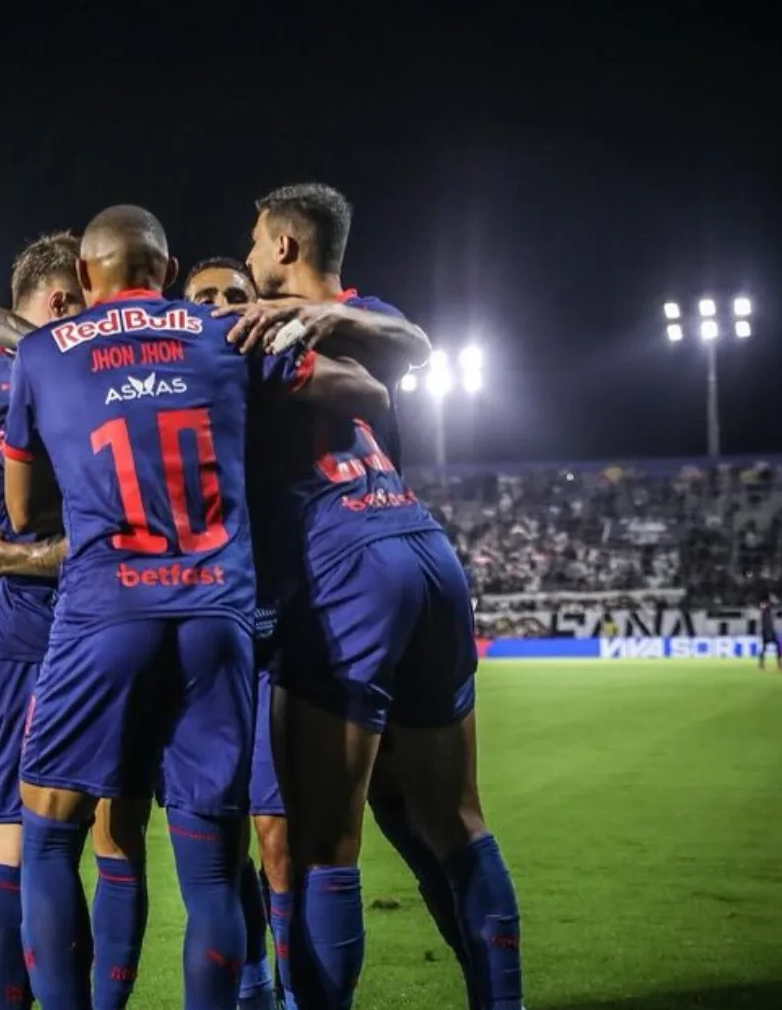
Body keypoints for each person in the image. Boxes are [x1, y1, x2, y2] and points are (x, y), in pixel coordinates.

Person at [2, 204, 389, 1010]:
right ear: (170, 271)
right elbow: (367, 393)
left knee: (48, 839)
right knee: (212, 870)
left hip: (104, 611)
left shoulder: (41, 352)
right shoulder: (228, 332)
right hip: (217, 615)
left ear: (85, 275)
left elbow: (23, 510)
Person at [233, 182, 525, 1010]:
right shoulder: (365, 322)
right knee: (453, 820)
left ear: (285, 245)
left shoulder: (302, 325)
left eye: (254, 242)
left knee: (323, 847)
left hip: (342, 565)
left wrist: (306, 319)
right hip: (423, 548)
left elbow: (416, 347)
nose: (249, 260)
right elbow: (409, 353)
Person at [0, 231, 86, 1010]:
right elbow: (52, 506)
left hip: (66, 621)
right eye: (89, 304)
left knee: (70, 844)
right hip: (26, 628)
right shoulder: (4, 378)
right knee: (27, 843)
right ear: (62, 302)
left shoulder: (28, 366)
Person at [180, 254, 287, 1010]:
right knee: (220, 838)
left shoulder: (283, 384)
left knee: (276, 832)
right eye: (202, 297)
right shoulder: (163, 397)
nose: (219, 306)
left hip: (278, 636)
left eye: (232, 295)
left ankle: (294, 988)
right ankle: (252, 983)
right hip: (202, 637)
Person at [757, 594, 782, 672]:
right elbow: (769, 606)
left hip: (769, 630)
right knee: (768, 647)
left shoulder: (767, 607)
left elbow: (779, 606)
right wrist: (774, 600)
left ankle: (762, 665)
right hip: (767, 630)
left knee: (768, 647)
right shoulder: (764, 605)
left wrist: (775, 601)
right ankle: (779, 665)